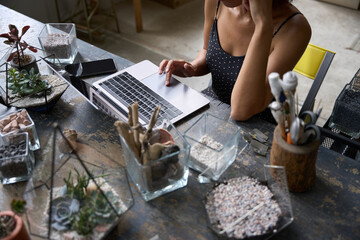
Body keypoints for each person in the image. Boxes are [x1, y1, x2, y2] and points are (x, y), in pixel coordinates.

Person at [158, 0, 311, 121]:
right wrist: (191, 67)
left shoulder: (295, 28)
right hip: (215, 106)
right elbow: (207, 51)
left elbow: (241, 110)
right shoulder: (217, 2)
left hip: (259, 129)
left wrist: (263, 25)